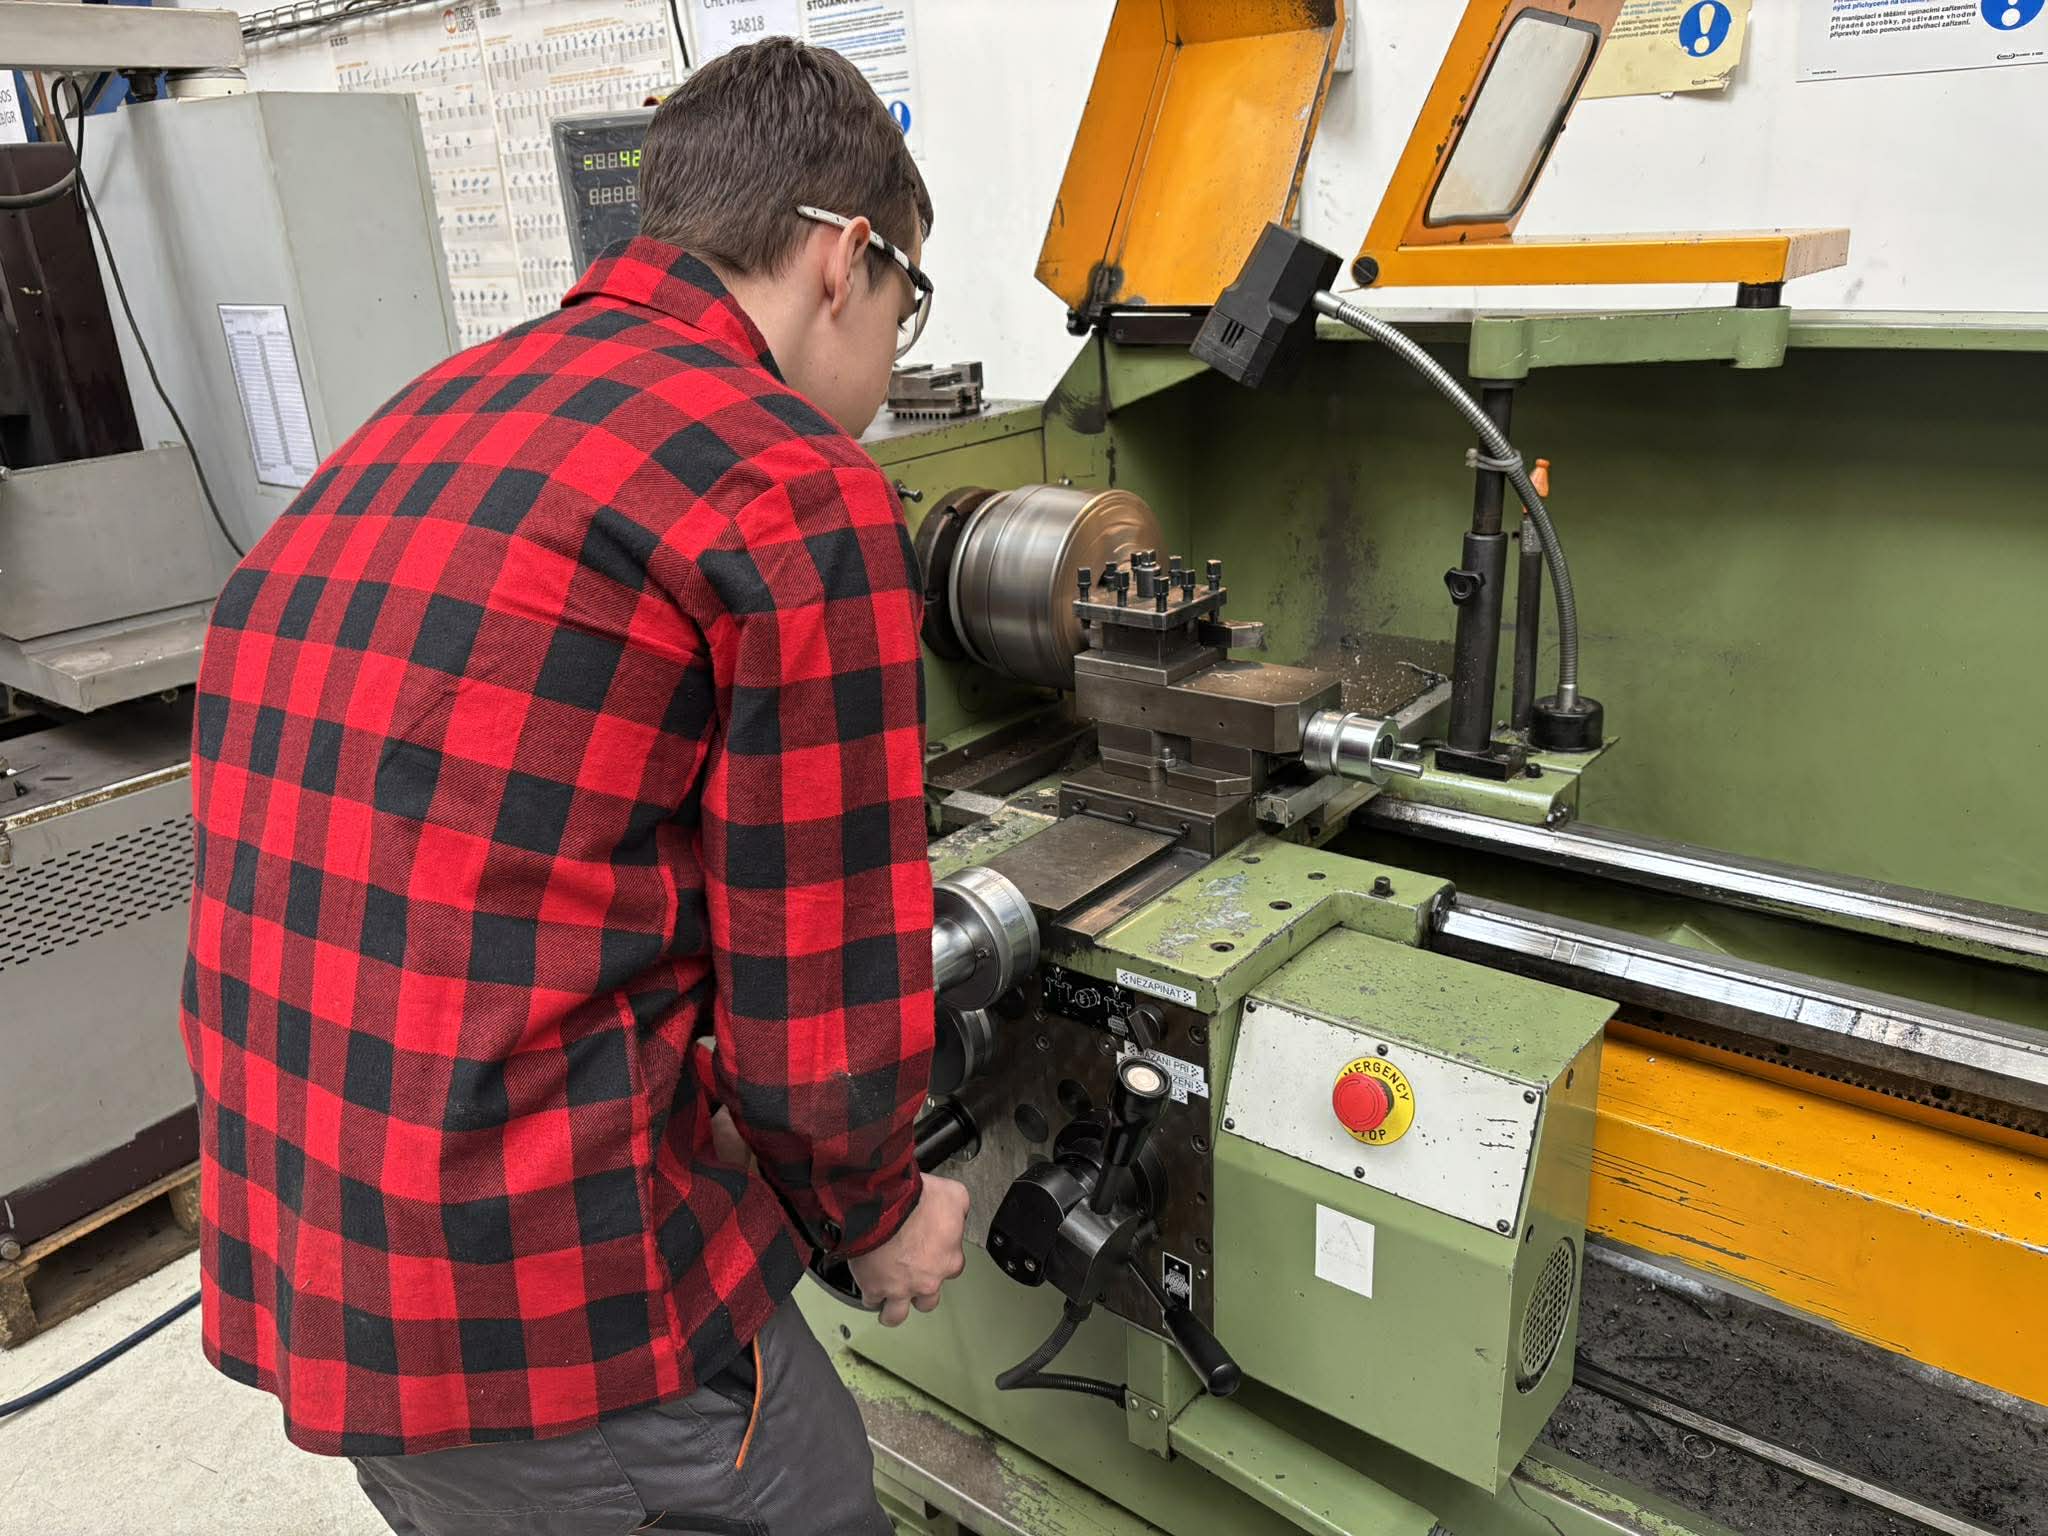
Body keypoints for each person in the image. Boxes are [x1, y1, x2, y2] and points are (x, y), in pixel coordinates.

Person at [178, 37, 966, 1535]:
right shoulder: (790, 481)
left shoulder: (427, 414)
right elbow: (815, 999)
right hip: (551, 1309)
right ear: (843, 258)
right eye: (906, 302)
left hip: (312, 1249)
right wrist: (877, 1213)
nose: (893, 350)